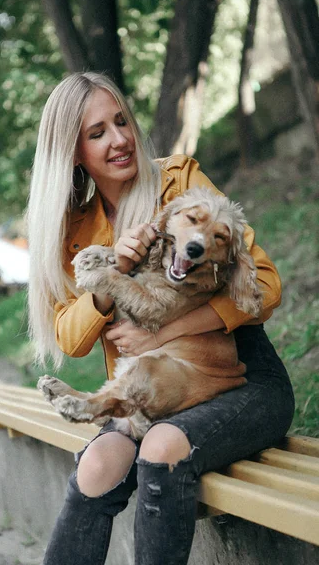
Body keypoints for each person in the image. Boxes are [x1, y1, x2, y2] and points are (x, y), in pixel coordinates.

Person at [27, 72, 294, 565]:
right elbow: (70, 337)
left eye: (121, 121)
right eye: (97, 133)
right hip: (154, 394)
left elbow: (267, 286)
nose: (121, 139)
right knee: (98, 466)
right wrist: (117, 272)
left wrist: (165, 332)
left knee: (161, 447)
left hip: (240, 382)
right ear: (72, 152)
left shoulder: (178, 180)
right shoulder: (75, 230)